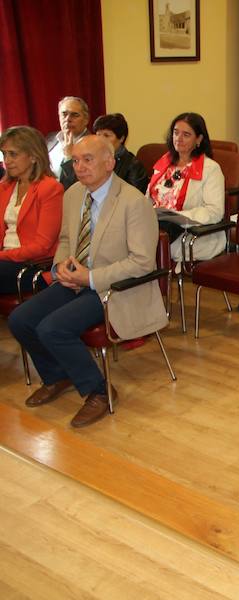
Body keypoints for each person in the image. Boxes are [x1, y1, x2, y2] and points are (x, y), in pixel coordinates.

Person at [8, 135, 167, 428]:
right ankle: (58, 375)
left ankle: (99, 391)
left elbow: (143, 262)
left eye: (88, 160)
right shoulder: (73, 194)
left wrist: (91, 277)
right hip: (76, 280)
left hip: (114, 288)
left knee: (53, 328)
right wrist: (62, 267)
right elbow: (67, 239)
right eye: (76, 160)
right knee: (20, 319)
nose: (79, 167)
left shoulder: (133, 202)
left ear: (110, 163)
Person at [147, 112, 225, 264]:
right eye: (176, 133)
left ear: (199, 139)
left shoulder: (210, 169)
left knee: (143, 246)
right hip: (157, 226)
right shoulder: (164, 163)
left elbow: (215, 212)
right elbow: (148, 199)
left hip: (192, 233)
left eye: (186, 134)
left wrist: (180, 216)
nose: (178, 138)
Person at [0, 126, 64, 294]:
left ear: (34, 156)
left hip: (33, 266)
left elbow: (42, 246)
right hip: (5, 261)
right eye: (4, 153)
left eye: (13, 154)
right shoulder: (4, 188)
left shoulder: (50, 188)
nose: (7, 160)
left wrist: (3, 256)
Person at [60, 113, 149, 193]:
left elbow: (132, 199)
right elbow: (71, 188)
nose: (100, 140)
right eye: (98, 135)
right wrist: (70, 157)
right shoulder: (91, 159)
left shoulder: (133, 166)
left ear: (121, 138)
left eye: (106, 135)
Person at [46, 96, 91, 179]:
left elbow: (84, 180)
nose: (68, 119)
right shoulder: (50, 139)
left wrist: (69, 157)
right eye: (64, 114)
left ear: (86, 120)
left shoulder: (94, 145)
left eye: (74, 115)